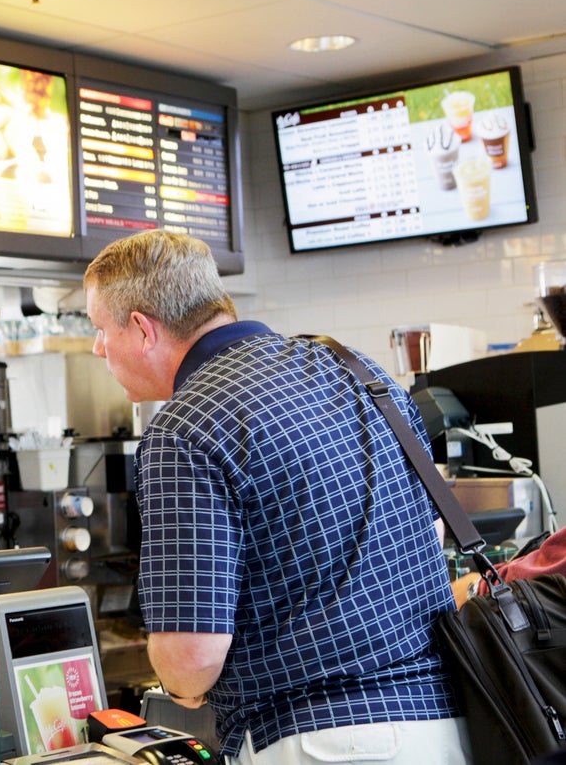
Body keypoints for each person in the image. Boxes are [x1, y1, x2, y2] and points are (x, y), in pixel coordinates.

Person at [84, 231, 469, 764]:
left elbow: (191, 657)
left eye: (99, 329)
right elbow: (431, 533)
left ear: (143, 329)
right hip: (448, 728)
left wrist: (181, 692)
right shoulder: (360, 371)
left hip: (322, 744)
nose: (98, 347)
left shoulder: (184, 426)